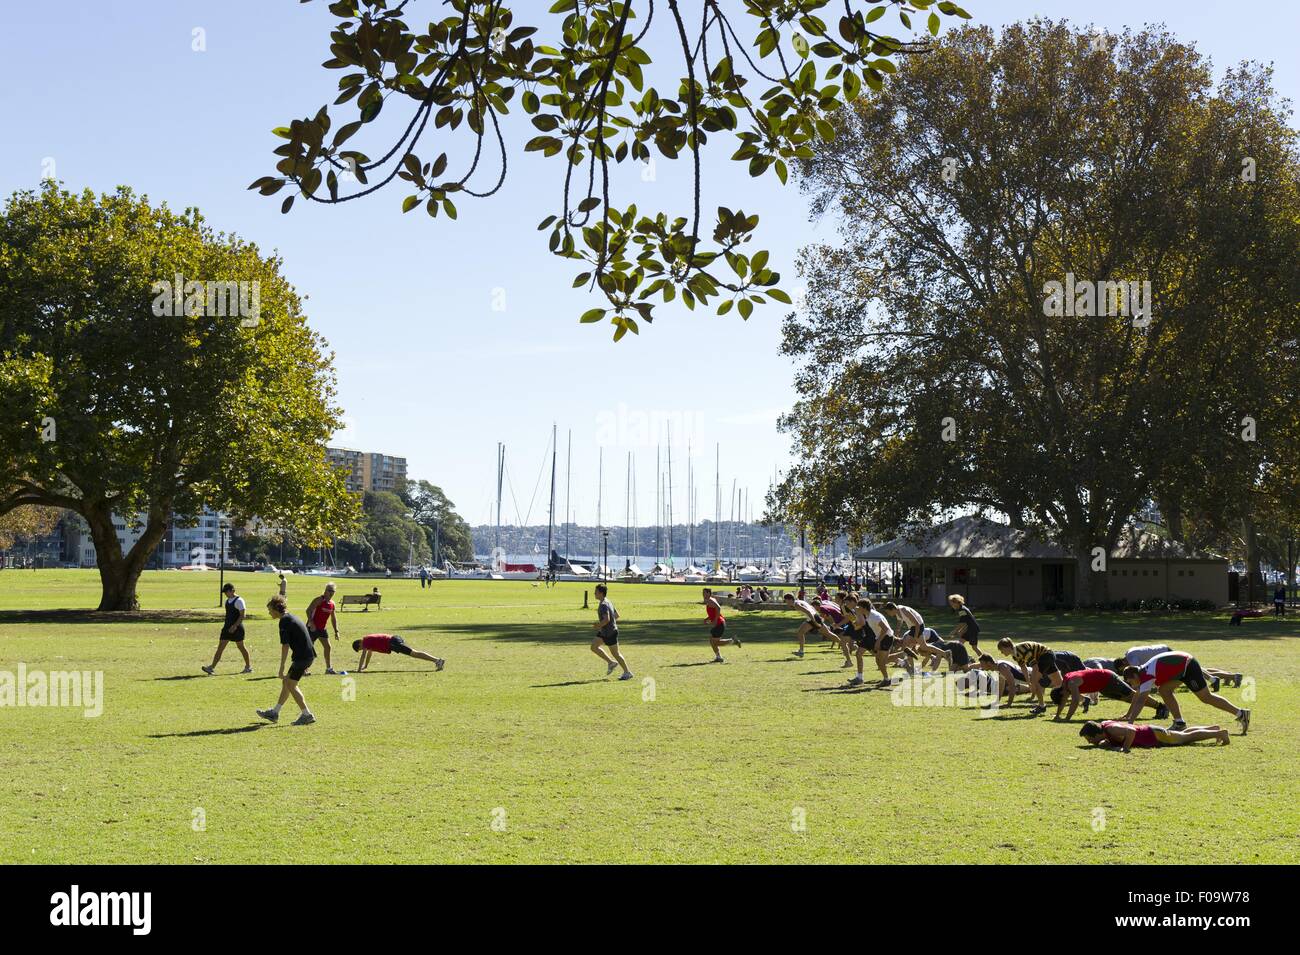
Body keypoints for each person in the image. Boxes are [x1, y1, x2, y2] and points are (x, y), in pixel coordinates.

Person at [1121, 651, 1250, 734]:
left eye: (1130, 682)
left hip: (1187, 666)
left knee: (1206, 697)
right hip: (1181, 666)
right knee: (1164, 690)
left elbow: (1141, 700)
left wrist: (1130, 724)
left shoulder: (1146, 676)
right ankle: (1179, 722)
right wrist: (1129, 716)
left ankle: (1241, 713)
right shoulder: (1142, 672)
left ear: (1134, 676)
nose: (1131, 685)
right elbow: (1138, 695)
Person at [257, 595, 317, 725]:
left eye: (270, 610)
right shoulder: (291, 616)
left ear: (275, 609)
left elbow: (285, 645)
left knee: (291, 684)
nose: (269, 613)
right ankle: (275, 713)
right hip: (306, 655)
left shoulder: (284, 621)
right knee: (287, 683)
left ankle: (306, 714)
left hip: (303, 657)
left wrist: (282, 667)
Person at [1052, 668, 1167, 721]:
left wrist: (1067, 718)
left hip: (1108, 678)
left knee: (1132, 695)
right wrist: (1057, 715)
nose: (1066, 699)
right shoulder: (1065, 686)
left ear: (1062, 692)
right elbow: (1063, 700)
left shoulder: (1071, 683)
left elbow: (1076, 701)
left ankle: (1161, 706)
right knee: (1128, 699)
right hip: (1103, 687)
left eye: (1065, 698)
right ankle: (1159, 707)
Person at [1110, 645, 1242, 691]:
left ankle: (1214, 679)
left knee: (1193, 669)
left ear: (1123, 664)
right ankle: (1231, 676)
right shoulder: (1129, 652)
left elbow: (1138, 675)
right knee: (1198, 668)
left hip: (1163, 654)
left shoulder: (1131, 659)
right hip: (1162, 651)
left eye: (1123, 669)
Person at [847, 597, 916, 686]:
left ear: (863, 608)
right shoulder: (869, 615)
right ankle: (903, 655)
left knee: (881, 661)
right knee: (882, 660)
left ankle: (887, 678)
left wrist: (878, 641)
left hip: (886, 637)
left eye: (858, 607)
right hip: (884, 637)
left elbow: (885, 628)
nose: (857, 608)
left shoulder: (874, 616)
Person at [996, 638, 1060, 714]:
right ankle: (1075, 696)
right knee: (1059, 682)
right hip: (1047, 655)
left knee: (1035, 682)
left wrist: (1032, 682)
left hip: (1046, 656)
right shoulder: (1015, 655)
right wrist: (1028, 682)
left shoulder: (1022, 650)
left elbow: (1035, 667)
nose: (1001, 652)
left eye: (1002, 649)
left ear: (1008, 647)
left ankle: (1042, 706)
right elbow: (1023, 668)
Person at [1079, 720, 1229, 752]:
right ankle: (1212, 728)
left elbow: (1131, 731)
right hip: (1152, 732)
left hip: (1154, 735)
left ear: (1097, 733)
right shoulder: (1106, 728)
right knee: (1182, 734)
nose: (1091, 742)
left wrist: (1124, 748)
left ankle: (1219, 733)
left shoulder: (1111, 729)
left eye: (1090, 739)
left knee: (1184, 739)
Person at [202, 582, 252, 675]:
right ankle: (211, 667)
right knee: (220, 647)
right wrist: (228, 626)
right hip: (227, 628)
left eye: (226, 592)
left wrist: (235, 626)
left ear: (232, 591)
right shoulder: (227, 601)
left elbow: (242, 615)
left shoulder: (239, 600)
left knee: (241, 647)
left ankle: (248, 667)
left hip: (237, 628)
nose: (225, 594)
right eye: (224, 592)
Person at [590, 583, 633, 680]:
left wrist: (598, 625)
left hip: (610, 633)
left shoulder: (603, 605)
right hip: (605, 631)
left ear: (601, 593)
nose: (594, 593)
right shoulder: (608, 601)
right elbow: (617, 615)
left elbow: (606, 619)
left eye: (596, 592)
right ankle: (611, 663)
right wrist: (606, 626)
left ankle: (627, 672)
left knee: (616, 654)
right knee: (594, 647)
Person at [782, 592, 838, 658]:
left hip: (812, 618)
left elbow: (808, 612)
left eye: (786, 601)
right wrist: (817, 616)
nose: (786, 603)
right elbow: (811, 607)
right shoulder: (799, 601)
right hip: (814, 617)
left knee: (801, 632)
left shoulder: (797, 605)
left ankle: (801, 651)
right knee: (827, 633)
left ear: (789, 599)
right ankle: (842, 643)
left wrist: (814, 621)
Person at [352, 634, 445, 671]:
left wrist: (359, 669)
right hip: (394, 640)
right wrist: (366, 666)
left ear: (360, 643)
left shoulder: (365, 641)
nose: (363, 649)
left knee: (414, 653)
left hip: (393, 643)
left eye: (360, 648)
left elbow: (363, 656)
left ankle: (437, 660)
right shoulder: (368, 641)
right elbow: (369, 654)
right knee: (414, 653)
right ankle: (437, 661)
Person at [305, 582, 342, 674]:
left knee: (328, 647)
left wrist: (336, 631)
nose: (331, 593)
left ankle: (328, 669)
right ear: (325, 590)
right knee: (309, 649)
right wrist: (312, 623)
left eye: (333, 591)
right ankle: (304, 669)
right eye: (329, 590)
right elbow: (308, 610)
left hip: (322, 629)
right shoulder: (319, 600)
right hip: (311, 628)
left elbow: (333, 618)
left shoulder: (332, 604)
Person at [702, 588, 740, 663]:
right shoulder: (710, 600)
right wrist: (707, 619)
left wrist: (715, 620)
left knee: (715, 642)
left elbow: (718, 608)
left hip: (719, 624)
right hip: (719, 623)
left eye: (705, 593)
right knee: (712, 641)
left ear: (709, 593)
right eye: (702, 593)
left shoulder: (710, 600)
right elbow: (714, 612)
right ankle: (718, 657)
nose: (703, 594)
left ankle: (732, 641)